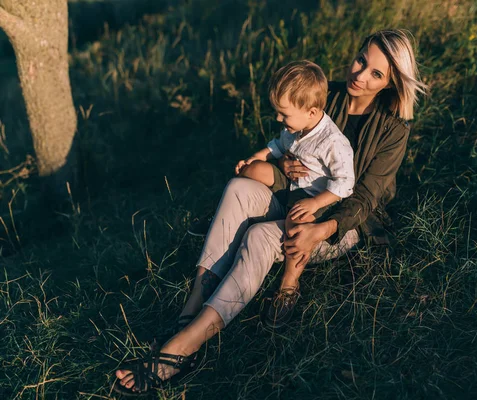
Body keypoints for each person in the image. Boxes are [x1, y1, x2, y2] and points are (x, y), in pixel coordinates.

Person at [114, 28, 428, 395]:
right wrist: (287, 162)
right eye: (361, 60)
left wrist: (321, 229)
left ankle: (185, 347)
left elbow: (365, 200)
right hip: (295, 195)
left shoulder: (394, 129)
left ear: (391, 82)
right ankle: (191, 309)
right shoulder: (329, 95)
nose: (360, 75)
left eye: (376, 74)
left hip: (341, 222)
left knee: (260, 236)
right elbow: (295, 141)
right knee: (238, 188)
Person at [235, 60, 354, 327]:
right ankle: (234, 212)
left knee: (296, 224)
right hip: (291, 185)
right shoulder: (295, 127)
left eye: (284, 114)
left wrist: (316, 203)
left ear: (312, 112)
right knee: (253, 171)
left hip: (315, 197)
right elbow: (277, 147)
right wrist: (256, 158)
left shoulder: (334, 142)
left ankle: (288, 285)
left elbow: (346, 183)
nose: (279, 119)